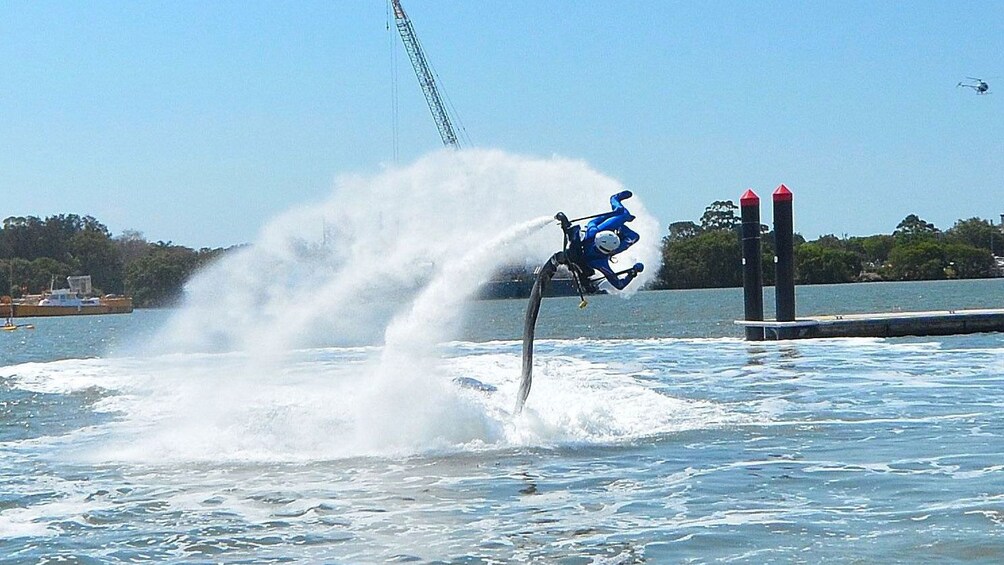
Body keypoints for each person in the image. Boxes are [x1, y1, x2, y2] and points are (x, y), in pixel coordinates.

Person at [556, 190, 644, 292]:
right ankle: (618, 213)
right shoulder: (600, 262)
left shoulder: (593, 232)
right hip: (608, 240)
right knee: (635, 236)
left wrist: (612, 215)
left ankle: (614, 200)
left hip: (604, 232)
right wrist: (633, 273)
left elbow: (593, 222)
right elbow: (620, 285)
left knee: (622, 214)